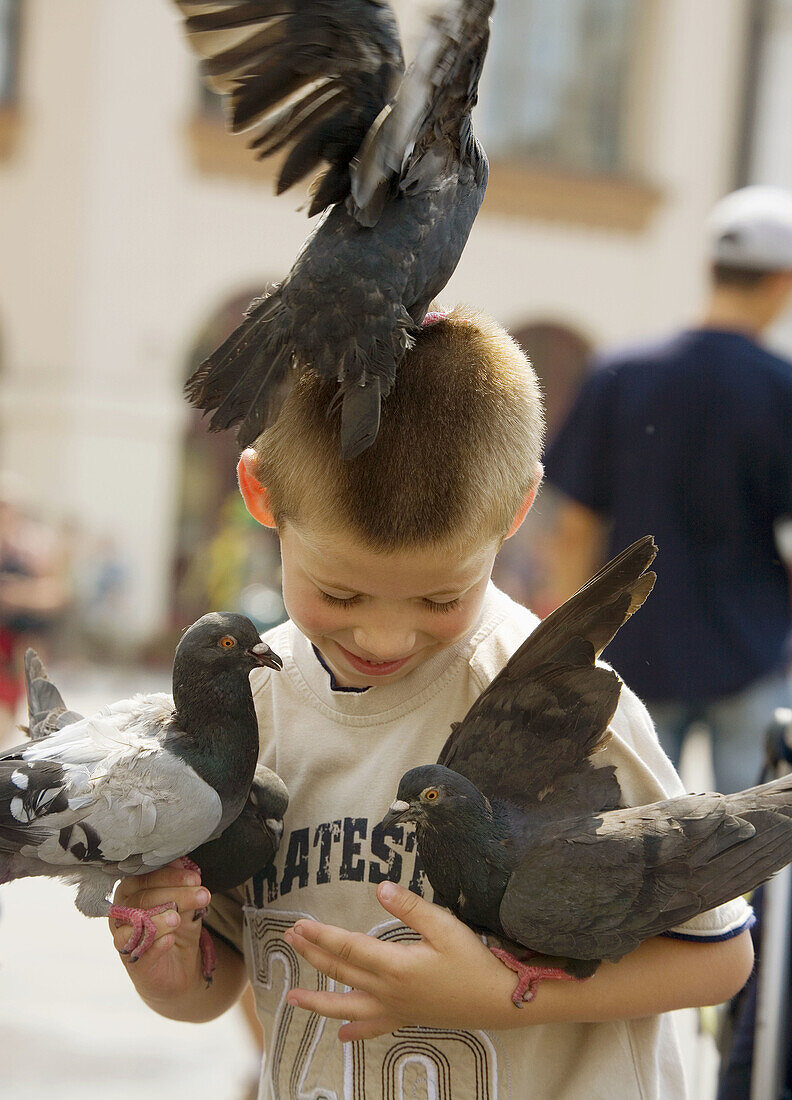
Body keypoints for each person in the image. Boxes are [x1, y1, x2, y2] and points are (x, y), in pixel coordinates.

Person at [109, 308, 753, 1099]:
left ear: (515, 512)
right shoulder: (249, 712)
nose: (383, 635)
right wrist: (169, 969)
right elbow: (221, 973)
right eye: (339, 591)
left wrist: (496, 997)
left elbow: (720, 955)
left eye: (440, 596)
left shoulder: (548, 702)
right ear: (260, 493)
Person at [544, 185, 792, 796]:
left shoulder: (621, 374)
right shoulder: (781, 389)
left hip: (633, 657)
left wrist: (562, 644)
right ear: (783, 282)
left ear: (710, 268)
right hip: (750, 657)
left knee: (637, 849)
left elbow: (574, 527)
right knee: (747, 851)